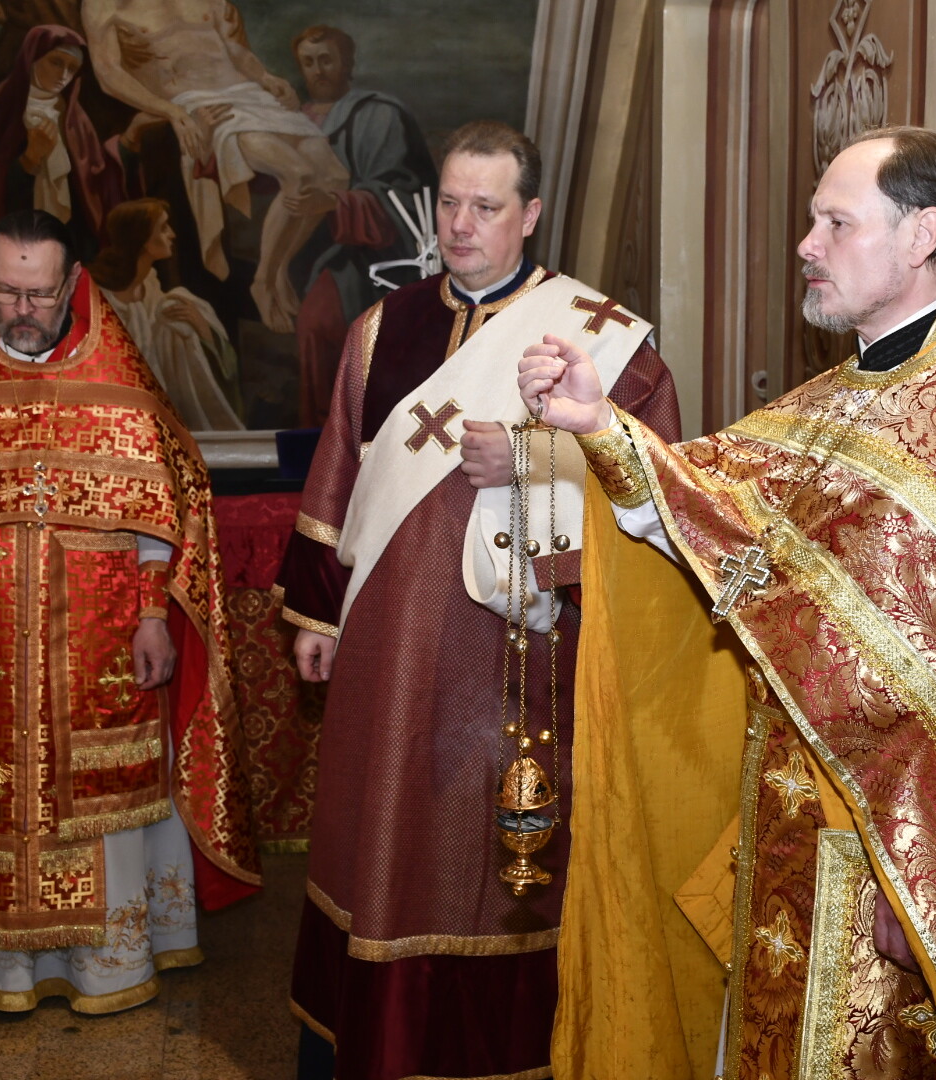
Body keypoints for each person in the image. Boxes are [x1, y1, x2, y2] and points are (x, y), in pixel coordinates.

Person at [519, 127, 936, 1079]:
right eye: (814, 222)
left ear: (922, 234)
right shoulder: (837, 401)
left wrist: (919, 874)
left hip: (886, 862)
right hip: (787, 823)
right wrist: (599, 424)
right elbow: (715, 522)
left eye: (837, 224)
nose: (807, 245)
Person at [275, 120, 680, 1080]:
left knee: (486, 853)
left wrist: (535, 458)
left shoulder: (598, 337)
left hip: (513, 656)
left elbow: (661, 491)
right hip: (383, 645)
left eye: (485, 207)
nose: (460, 225)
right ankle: (370, 1045)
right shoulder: (384, 328)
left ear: (529, 215)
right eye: (449, 203)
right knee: (377, 832)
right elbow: (338, 470)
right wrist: (318, 614)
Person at [0, 209, 259, 1013]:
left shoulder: (119, 384)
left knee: (107, 798)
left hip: (102, 649)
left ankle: (108, 966)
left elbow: (161, 508)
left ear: (73, 283)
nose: (22, 310)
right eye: (5, 291)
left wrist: (154, 615)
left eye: (38, 293)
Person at [82, 0, 350, 333]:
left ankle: (278, 269)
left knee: (334, 176)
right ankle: (263, 281)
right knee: (299, 173)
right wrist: (170, 111)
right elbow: (108, 74)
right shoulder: (105, 4)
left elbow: (233, 50)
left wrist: (265, 77)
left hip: (249, 94)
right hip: (201, 103)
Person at [289, 24, 438, 426]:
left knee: (319, 324)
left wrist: (336, 204)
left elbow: (399, 194)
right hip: (306, 254)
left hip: (365, 258)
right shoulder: (295, 120)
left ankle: (343, 432)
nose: (317, 70)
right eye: (308, 62)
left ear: (347, 63)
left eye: (326, 60)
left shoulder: (378, 115)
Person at [0, 25, 124, 322]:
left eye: (72, 68)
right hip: (12, 244)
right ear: (31, 58)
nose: (63, 75)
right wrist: (29, 161)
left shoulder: (76, 121)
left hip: (63, 243)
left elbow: (91, 187)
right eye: (56, 62)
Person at [91, 197, 245, 430]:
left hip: (159, 398)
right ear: (142, 238)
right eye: (163, 228)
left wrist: (200, 325)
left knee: (180, 307)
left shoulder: (150, 285)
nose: (172, 234)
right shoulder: (101, 298)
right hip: (117, 410)